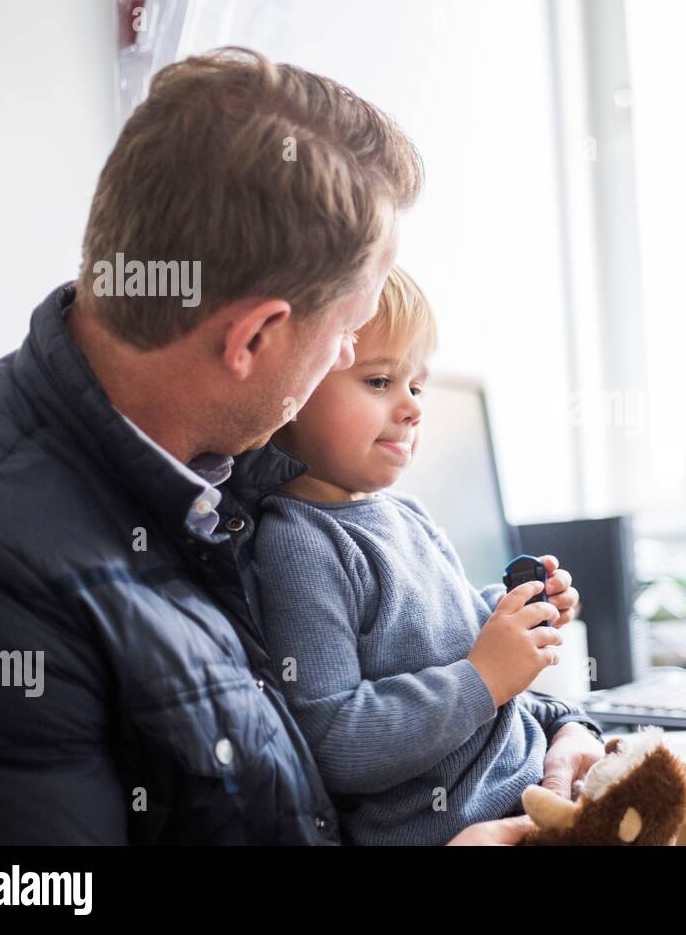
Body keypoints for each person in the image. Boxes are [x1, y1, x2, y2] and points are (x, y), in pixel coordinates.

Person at [0, 47, 526, 845]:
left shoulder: (232, 481)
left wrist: (557, 737)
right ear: (252, 338)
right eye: (350, 333)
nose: (348, 361)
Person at [254, 266, 604, 844]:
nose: (413, 408)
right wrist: (484, 678)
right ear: (296, 385)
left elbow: (450, 628)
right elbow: (335, 736)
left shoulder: (406, 514)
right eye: (378, 382)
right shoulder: (298, 542)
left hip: (530, 794)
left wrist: (518, 611)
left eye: (416, 385)